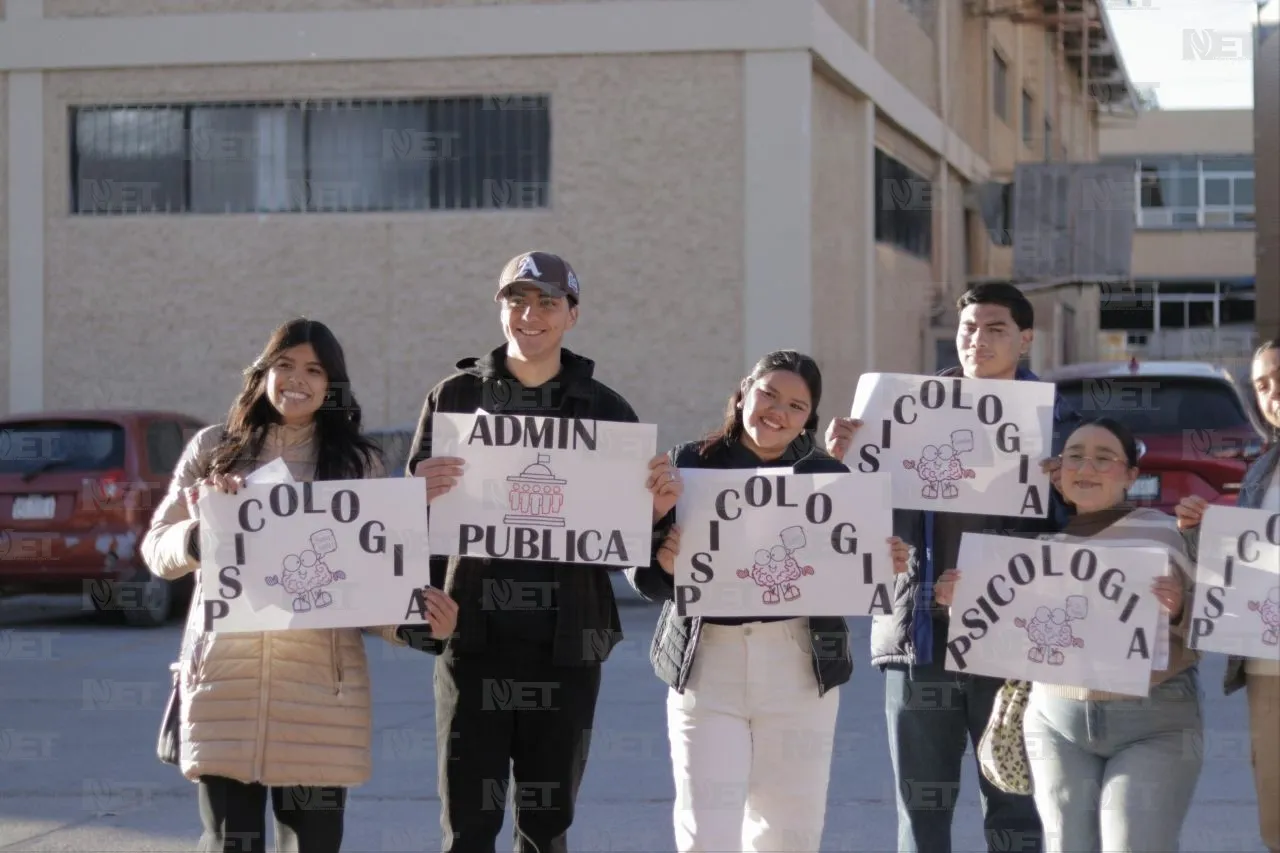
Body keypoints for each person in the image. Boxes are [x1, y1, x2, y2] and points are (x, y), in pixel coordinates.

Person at [141, 318, 459, 853]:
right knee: (229, 844)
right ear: (263, 372)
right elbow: (157, 550)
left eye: (314, 370)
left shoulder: (358, 463)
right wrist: (203, 531)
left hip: (321, 695)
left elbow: (369, 580)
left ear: (332, 385)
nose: (297, 379)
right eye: (284, 365)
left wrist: (416, 626)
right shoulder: (213, 450)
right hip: (224, 687)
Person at [400, 251, 678, 853]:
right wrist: (418, 607)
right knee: (468, 827)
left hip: (567, 648)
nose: (530, 314)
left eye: (547, 302)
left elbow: (640, 550)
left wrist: (655, 515)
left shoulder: (606, 411)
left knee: (546, 827)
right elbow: (410, 528)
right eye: (516, 299)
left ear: (571, 315)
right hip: (470, 642)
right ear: (500, 309)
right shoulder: (453, 397)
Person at [823, 282, 1078, 853]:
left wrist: (1069, 490)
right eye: (969, 327)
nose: (978, 339)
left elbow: (1084, 533)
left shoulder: (1062, 424)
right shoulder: (903, 412)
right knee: (922, 813)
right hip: (920, 637)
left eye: (996, 328)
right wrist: (836, 461)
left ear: (1026, 339)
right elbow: (856, 519)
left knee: (1017, 810)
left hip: (1014, 643)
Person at [626, 349, 912, 853]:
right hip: (707, 662)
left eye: (796, 406)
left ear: (810, 418)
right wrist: (661, 556)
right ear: (743, 391)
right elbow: (644, 579)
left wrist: (877, 559)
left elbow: (848, 576)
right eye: (769, 394)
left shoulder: (828, 476)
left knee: (789, 829)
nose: (777, 412)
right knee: (706, 831)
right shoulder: (688, 463)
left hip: (799, 663)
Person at [938, 417, 1203, 853]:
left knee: (1132, 843)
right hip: (1055, 722)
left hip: (1154, 724)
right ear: (1058, 474)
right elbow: (1003, 633)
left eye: (1104, 458)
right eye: (1075, 456)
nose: (1087, 467)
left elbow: (1222, 622)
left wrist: (1180, 607)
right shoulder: (1031, 545)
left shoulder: (1167, 534)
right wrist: (959, 602)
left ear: (1131, 476)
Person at [1175, 338, 1280, 853]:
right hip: (1268, 664)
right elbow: (1244, 562)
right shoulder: (1263, 469)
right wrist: (1203, 531)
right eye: (1262, 384)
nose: (1274, 391)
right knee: (1275, 810)